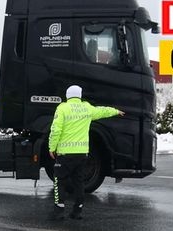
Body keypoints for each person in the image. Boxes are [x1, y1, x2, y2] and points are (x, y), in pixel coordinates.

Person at [48, 85, 124, 220]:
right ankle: (77, 211)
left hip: (65, 155)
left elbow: (56, 130)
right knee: (79, 183)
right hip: (82, 154)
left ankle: (58, 212)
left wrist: (52, 148)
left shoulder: (62, 108)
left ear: (67, 95)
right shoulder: (87, 108)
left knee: (60, 181)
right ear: (80, 95)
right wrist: (115, 111)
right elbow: (102, 111)